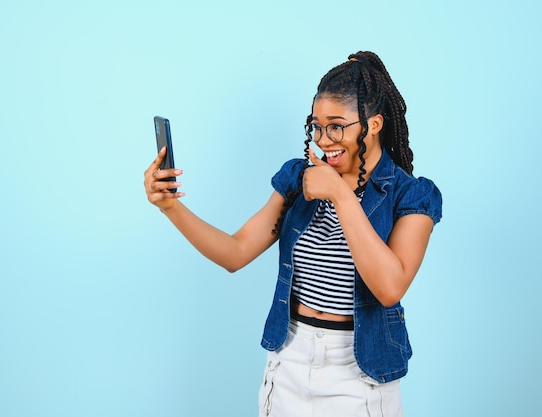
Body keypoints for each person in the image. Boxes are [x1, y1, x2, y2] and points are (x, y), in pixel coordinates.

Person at [144, 51, 442, 417]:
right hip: (289, 362)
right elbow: (235, 253)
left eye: (336, 126)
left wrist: (338, 193)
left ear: (375, 124)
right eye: (316, 126)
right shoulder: (298, 180)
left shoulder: (411, 195)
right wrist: (170, 206)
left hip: (360, 375)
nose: (324, 139)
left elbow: (389, 287)